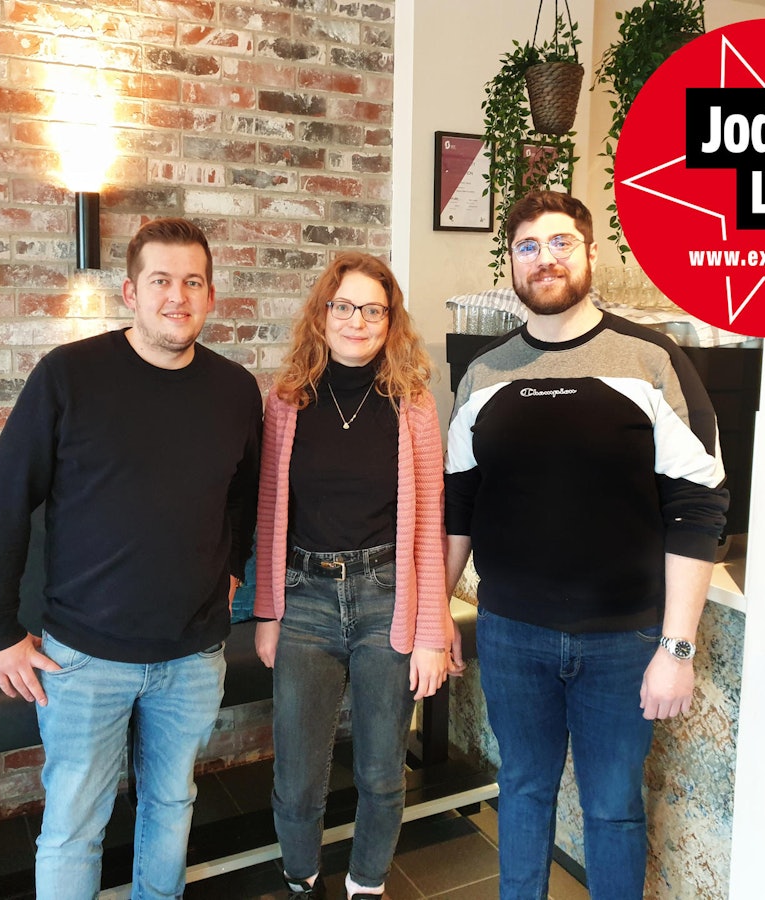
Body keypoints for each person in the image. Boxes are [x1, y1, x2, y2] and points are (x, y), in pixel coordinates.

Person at [0, 218, 262, 900]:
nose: (176, 297)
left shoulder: (236, 390)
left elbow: (245, 496)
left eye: (192, 282)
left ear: (211, 296)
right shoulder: (68, 376)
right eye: (161, 280)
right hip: (83, 657)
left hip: (192, 654)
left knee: (172, 805)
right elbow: (2, 502)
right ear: (131, 290)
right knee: (74, 825)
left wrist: (233, 565)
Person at [444, 191, 729, 900]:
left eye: (561, 242)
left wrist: (677, 647)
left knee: (612, 810)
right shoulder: (483, 374)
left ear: (590, 253)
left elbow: (700, 505)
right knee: (524, 794)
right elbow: (459, 504)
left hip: (625, 641)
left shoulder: (653, 359)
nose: (545, 258)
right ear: (511, 263)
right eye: (529, 246)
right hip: (511, 635)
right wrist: (437, 614)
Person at [253, 252, 459, 900]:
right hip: (304, 600)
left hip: (385, 598)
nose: (357, 320)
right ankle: (301, 878)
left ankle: (366, 884)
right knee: (298, 774)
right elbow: (266, 513)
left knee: (381, 771)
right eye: (344, 306)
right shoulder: (287, 401)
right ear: (323, 314)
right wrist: (266, 613)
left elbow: (429, 522)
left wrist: (431, 630)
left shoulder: (413, 403)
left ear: (389, 320)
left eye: (373, 309)